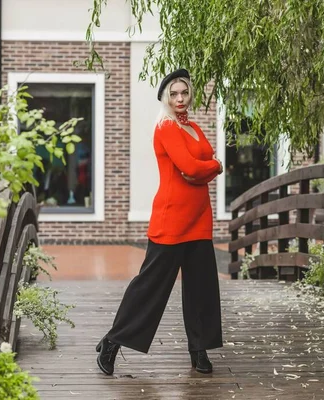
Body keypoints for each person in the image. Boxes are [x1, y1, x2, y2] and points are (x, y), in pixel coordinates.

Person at [95, 68, 224, 376]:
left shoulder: (193, 126)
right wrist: (214, 165)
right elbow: (191, 168)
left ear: (190, 95)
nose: (180, 98)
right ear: (166, 98)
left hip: (199, 218)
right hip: (171, 218)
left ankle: (199, 349)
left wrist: (212, 165)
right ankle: (113, 341)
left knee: (201, 287)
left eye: (184, 93)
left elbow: (200, 165)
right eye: (174, 94)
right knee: (150, 287)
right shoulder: (165, 127)